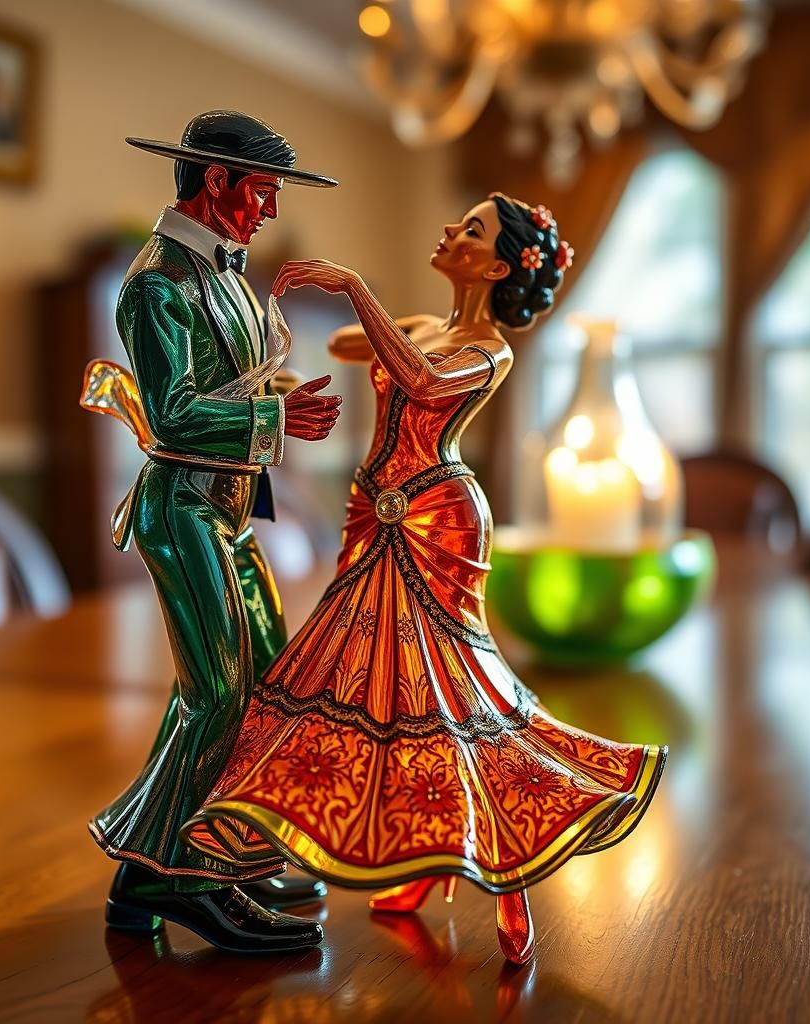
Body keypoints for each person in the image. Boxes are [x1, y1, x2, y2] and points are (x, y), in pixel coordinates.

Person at [181, 194, 666, 964]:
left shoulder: (488, 348)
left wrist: (355, 288)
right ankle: (414, 855)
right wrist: (261, 321)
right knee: (377, 690)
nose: (449, 231)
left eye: (470, 230)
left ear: (499, 267)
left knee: (455, 691)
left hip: (436, 520)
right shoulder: (425, 327)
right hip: (375, 511)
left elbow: (423, 384)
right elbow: (351, 346)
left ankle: (506, 875)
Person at [80, 111, 342, 954]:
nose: (267, 210)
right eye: (261, 191)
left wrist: (283, 396)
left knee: (254, 681)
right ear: (219, 183)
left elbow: (241, 382)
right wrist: (277, 419)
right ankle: (167, 875)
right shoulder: (156, 285)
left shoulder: (222, 273)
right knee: (218, 692)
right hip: (183, 508)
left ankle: (200, 856)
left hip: (229, 509)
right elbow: (172, 414)